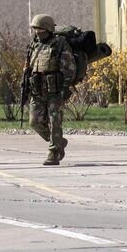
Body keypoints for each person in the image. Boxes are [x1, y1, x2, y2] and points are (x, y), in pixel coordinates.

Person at [26, 14, 76, 165]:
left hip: (55, 90)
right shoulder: (34, 44)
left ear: (48, 30)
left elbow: (68, 66)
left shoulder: (60, 43)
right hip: (37, 89)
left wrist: (66, 86)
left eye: (40, 31)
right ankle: (58, 141)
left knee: (55, 121)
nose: (38, 34)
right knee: (34, 121)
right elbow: (30, 65)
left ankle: (54, 152)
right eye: (36, 31)